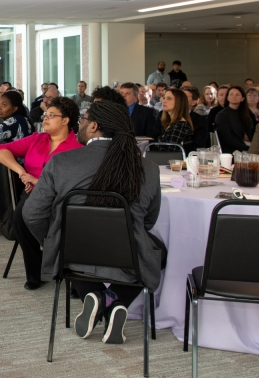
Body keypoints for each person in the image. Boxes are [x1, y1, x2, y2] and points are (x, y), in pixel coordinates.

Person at [17, 101, 162, 344]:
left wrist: (53, 239)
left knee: (71, 244)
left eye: (83, 120)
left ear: (94, 126)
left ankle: (96, 297)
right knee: (158, 250)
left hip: (74, 250)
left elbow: (32, 214)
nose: (80, 124)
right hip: (126, 250)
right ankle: (115, 300)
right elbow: (149, 219)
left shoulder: (62, 162)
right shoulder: (148, 167)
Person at [0, 97, 81, 195]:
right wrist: (22, 172)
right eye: (45, 115)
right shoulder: (37, 139)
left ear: (65, 120)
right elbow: (1, 150)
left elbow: (71, 182)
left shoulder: (77, 148)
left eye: (51, 115)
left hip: (58, 197)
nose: (45, 118)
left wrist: (36, 181)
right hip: (31, 194)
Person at [215, 86, 255, 155]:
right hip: (228, 151)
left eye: (237, 94)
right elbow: (228, 140)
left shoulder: (245, 115)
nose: (234, 96)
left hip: (242, 149)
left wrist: (255, 147)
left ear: (242, 98)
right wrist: (248, 148)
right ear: (227, 98)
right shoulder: (222, 115)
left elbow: (252, 135)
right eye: (231, 94)